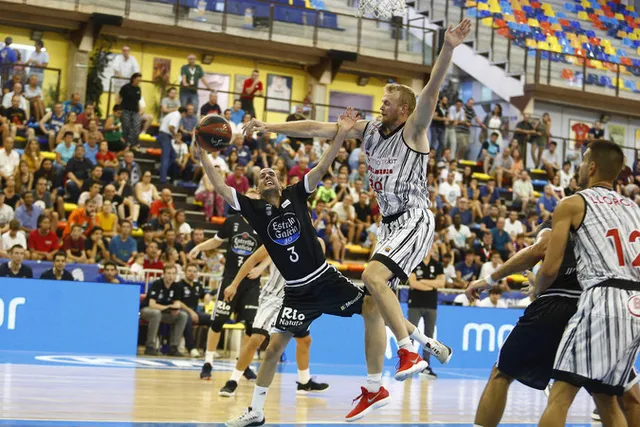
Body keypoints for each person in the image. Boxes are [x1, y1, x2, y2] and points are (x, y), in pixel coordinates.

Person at [242, 20, 470, 412]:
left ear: (404, 110)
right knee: (372, 303)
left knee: (371, 277)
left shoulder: (414, 130)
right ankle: (376, 385)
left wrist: (448, 48)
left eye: (387, 102)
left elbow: (431, 90)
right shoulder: (370, 130)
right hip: (390, 225)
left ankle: (408, 352)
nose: (380, 106)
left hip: (415, 217)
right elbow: (318, 128)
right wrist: (270, 126)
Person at [218, 107, 449, 427]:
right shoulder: (257, 213)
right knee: (269, 347)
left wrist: (338, 133)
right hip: (292, 293)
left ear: (283, 183)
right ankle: (254, 406)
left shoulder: (296, 196)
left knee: (373, 303)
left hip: (322, 280)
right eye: (262, 176)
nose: (268, 176)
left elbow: (322, 156)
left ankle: (412, 350)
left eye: (273, 174)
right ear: (256, 189)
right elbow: (256, 253)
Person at [536, 140, 640, 427]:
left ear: (592, 167)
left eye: (583, 161)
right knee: (607, 398)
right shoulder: (634, 208)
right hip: (635, 306)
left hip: (603, 299)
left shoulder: (572, 203)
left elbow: (550, 268)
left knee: (560, 395)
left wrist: (537, 289)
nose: (580, 167)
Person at [465, 216, 581, 426]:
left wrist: (490, 280)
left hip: (556, 304)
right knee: (611, 391)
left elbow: (541, 251)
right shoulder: (609, 222)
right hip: (596, 306)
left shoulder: (563, 216)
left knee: (501, 373)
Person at [216, 242, 329, 397]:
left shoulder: (317, 242)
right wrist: (234, 285)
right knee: (256, 339)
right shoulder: (276, 239)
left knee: (305, 340)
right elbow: (251, 260)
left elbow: (318, 271)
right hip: (273, 297)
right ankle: (233, 381)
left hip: (297, 300)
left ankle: (304, 382)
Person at [188, 192, 263, 377]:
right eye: (249, 199)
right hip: (230, 279)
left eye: (255, 200)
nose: (252, 202)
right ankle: (208, 362)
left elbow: (272, 251)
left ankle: (243, 364)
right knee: (218, 321)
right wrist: (199, 247)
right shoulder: (232, 221)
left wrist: (261, 268)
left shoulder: (264, 224)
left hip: (251, 282)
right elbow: (216, 241)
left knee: (251, 325)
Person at [407, 250, 445, 379]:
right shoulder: (414, 262)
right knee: (410, 333)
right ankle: (409, 363)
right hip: (415, 304)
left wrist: (422, 281)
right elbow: (412, 283)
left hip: (431, 304)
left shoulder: (437, 264)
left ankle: (426, 366)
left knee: (429, 336)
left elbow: (441, 283)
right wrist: (431, 285)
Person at [140, 264, 188, 356]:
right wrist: (168, 307)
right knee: (156, 313)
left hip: (164, 313)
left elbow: (177, 303)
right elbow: (152, 304)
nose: (171, 276)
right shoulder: (157, 284)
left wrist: (174, 309)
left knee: (182, 315)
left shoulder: (176, 286)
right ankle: (150, 346)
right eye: (169, 273)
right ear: (164, 274)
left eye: (173, 273)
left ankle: (173, 347)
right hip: (147, 311)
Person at [158, 106, 186, 184]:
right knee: (165, 158)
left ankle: (161, 171)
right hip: (165, 136)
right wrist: (175, 135)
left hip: (165, 136)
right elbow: (171, 127)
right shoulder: (177, 115)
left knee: (173, 155)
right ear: (183, 113)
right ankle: (162, 180)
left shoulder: (173, 114)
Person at [118, 72, 142, 149]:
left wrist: (139, 111)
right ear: (133, 79)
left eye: (140, 80)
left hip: (135, 111)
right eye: (138, 80)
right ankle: (125, 144)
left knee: (136, 127)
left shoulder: (138, 89)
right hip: (125, 110)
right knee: (126, 127)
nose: (138, 82)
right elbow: (119, 97)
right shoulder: (125, 87)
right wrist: (118, 108)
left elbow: (138, 101)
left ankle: (134, 144)